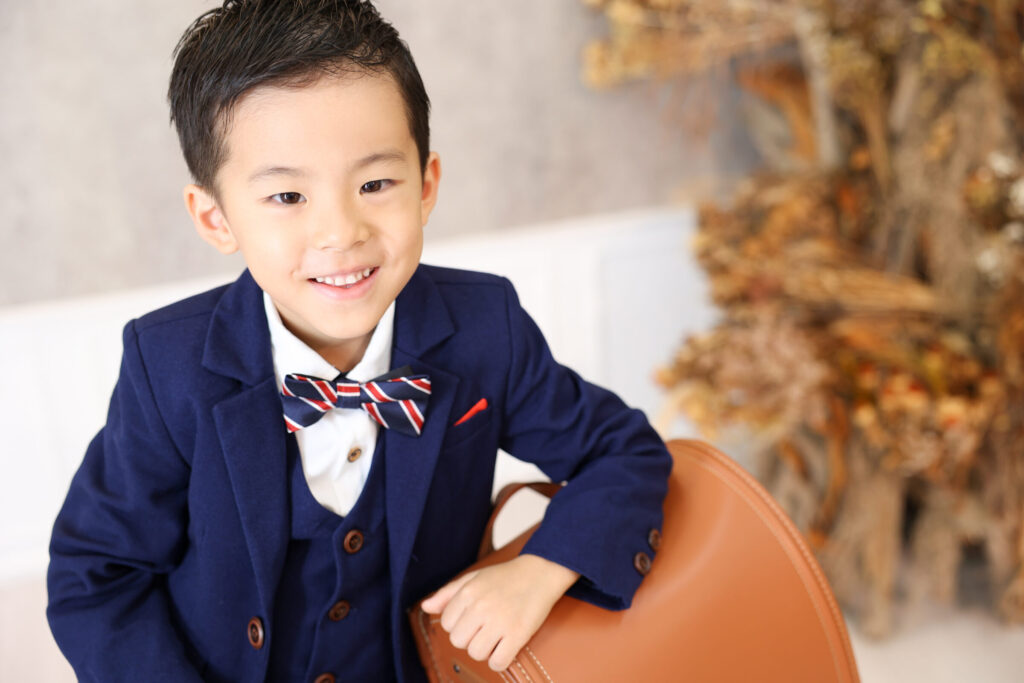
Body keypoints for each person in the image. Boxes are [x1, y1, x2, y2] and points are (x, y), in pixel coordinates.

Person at [46, 1, 672, 680]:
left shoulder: (485, 328)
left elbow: (624, 450)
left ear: (426, 185)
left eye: (375, 184)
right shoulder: (166, 366)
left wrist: (542, 567)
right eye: (288, 197)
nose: (342, 232)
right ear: (216, 217)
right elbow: (96, 573)